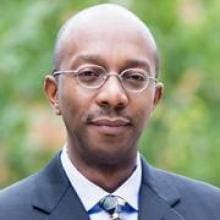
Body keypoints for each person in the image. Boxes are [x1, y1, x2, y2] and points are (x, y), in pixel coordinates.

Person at [0, 3, 219, 220]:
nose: (113, 96)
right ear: (54, 93)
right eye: (89, 74)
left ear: (155, 98)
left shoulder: (211, 210)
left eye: (134, 77)